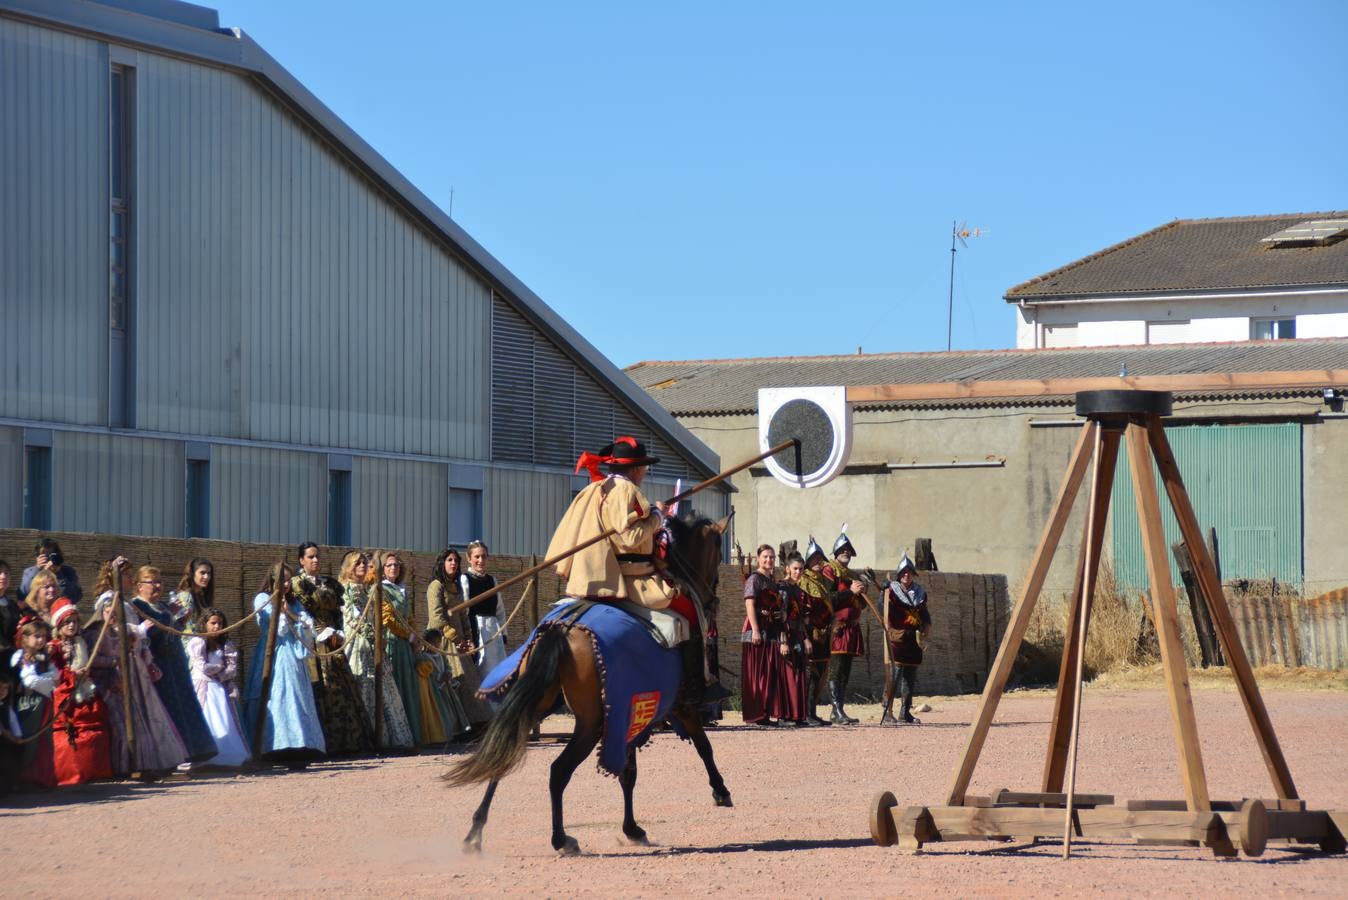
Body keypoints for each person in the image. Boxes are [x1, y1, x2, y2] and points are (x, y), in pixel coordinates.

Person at [545, 435, 726, 706]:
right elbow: (630, 538)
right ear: (634, 469)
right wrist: (657, 516)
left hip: (593, 575)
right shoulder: (627, 491)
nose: (645, 472)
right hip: (632, 579)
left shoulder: (595, 489)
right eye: (643, 467)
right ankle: (693, 688)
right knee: (689, 612)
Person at [88, 562, 189, 775]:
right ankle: (130, 763)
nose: (131, 579)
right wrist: (138, 631)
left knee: (146, 714)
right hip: (120, 665)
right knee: (128, 717)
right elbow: (111, 632)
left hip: (136, 663)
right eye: (127, 575)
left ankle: (151, 761)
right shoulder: (109, 600)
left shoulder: (123, 601)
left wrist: (147, 658)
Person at [130, 566, 218, 765]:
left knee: (185, 704)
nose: (158, 586)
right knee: (168, 708)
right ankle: (175, 755)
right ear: (139, 585)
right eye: (153, 582)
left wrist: (179, 621)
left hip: (175, 663)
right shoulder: (136, 606)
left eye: (159, 582)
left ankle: (195, 750)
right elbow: (146, 634)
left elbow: (169, 631)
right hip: (158, 664)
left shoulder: (161, 605)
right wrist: (167, 617)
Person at [292, 543, 372, 755]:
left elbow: (338, 611)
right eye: (310, 557)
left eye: (317, 556)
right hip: (313, 641)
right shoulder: (298, 583)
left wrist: (337, 632)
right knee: (323, 687)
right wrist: (322, 632)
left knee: (343, 687)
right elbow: (303, 612)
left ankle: (350, 743)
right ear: (301, 560)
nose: (315, 560)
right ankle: (324, 743)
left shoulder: (329, 583)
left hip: (334, 641)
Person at [243, 564, 326, 765]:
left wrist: (290, 613)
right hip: (274, 653)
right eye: (282, 580)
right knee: (276, 695)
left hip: (293, 656)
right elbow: (276, 628)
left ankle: (300, 746)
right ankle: (272, 747)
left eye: (288, 580)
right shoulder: (263, 599)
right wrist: (284, 613)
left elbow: (308, 626)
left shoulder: (293, 602)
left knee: (296, 697)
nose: (286, 584)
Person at [338, 551, 414, 751]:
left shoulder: (368, 590)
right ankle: (365, 740)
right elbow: (355, 620)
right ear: (349, 568)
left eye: (365, 562)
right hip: (358, 646)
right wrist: (374, 637)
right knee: (364, 686)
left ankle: (393, 739)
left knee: (386, 690)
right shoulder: (346, 590)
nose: (363, 565)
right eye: (357, 563)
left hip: (375, 644)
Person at [47, 598, 113, 785]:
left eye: (75, 622)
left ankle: (95, 770)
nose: (72, 626)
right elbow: (55, 671)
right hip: (66, 690)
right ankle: (70, 773)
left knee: (96, 725)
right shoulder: (55, 646)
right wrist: (72, 675)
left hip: (85, 688)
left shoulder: (80, 642)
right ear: (59, 624)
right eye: (67, 622)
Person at [425, 549, 492, 730]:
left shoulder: (456, 586)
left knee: (471, 681)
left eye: (455, 560)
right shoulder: (436, 586)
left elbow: (463, 615)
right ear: (442, 563)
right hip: (442, 641)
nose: (453, 564)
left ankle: (477, 722)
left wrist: (468, 639)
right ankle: (455, 726)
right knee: (454, 680)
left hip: (460, 641)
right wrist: (456, 639)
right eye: (449, 560)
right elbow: (437, 618)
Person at [187, 607, 250, 767]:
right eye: (213, 623)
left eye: (220, 623)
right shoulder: (198, 642)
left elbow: (232, 668)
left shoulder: (226, 645)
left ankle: (225, 755)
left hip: (219, 688)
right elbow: (201, 665)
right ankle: (201, 756)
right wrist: (220, 668)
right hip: (201, 685)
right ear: (205, 624)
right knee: (204, 717)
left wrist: (221, 673)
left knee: (224, 719)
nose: (217, 627)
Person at [375, 551, 423, 746]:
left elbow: (409, 616)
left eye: (396, 565)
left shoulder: (401, 588)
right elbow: (387, 619)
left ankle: (411, 732)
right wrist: (407, 634)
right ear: (382, 569)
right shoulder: (382, 589)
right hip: (392, 641)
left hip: (405, 643)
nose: (393, 568)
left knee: (408, 683)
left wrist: (414, 634)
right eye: (389, 565)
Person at [880, 555, 932, 725]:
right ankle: (887, 711)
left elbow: (924, 614)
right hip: (897, 638)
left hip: (913, 639)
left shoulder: (920, 592)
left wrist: (926, 629)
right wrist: (883, 592)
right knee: (894, 675)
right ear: (899, 574)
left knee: (910, 676)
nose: (906, 575)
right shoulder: (892, 591)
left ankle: (905, 713)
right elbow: (883, 608)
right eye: (903, 572)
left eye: (909, 573)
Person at [741, 545, 788, 726]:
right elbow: (750, 604)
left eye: (772, 557)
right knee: (757, 673)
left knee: (769, 673)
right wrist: (755, 630)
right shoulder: (754, 579)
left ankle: (766, 713)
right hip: (757, 629)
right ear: (758, 559)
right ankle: (756, 714)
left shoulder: (772, 581)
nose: (769, 560)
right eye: (766, 557)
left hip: (771, 630)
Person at [822, 529, 866, 725]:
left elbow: (862, 604)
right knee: (836, 669)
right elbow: (829, 599)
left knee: (845, 670)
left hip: (852, 628)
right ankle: (835, 710)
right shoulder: (829, 571)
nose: (846, 552)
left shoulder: (853, 575)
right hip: (837, 628)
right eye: (843, 549)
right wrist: (850, 591)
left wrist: (862, 590)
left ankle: (840, 710)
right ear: (836, 551)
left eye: (848, 550)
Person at [11, 615, 56, 787]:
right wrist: (49, 682)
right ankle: (23, 778)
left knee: (46, 741)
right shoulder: (19, 657)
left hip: (44, 703)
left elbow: (56, 676)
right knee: (30, 739)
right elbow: (29, 681)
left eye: (43, 637)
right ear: (25, 638)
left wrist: (46, 680)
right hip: (27, 704)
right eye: (36, 636)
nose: (41, 640)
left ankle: (44, 778)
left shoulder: (44, 657)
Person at [797, 537, 834, 727]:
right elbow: (802, 613)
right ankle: (805, 714)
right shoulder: (803, 582)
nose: (818, 562)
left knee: (820, 673)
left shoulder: (824, 582)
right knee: (810, 674)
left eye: (820, 559)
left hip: (824, 635)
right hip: (810, 634)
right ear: (808, 562)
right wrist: (806, 637)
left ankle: (813, 712)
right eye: (814, 559)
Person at [414, 629, 470, 746]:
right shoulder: (423, 657)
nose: (436, 645)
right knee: (442, 712)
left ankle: (455, 733)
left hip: (447, 688)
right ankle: (444, 734)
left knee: (452, 712)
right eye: (433, 642)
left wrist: (448, 673)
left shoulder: (442, 655)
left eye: (438, 642)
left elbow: (448, 667)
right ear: (426, 643)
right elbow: (427, 675)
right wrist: (439, 680)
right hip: (435, 690)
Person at [777, 552, 811, 727]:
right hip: (786, 634)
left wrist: (805, 639)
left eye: (801, 569)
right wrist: (782, 640)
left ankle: (798, 715)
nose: (798, 572)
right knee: (787, 675)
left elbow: (801, 620)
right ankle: (785, 715)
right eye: (795, 568)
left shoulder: (799, 591)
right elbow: (779, 618)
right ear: (787, 569)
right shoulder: (781, 588)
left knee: (799, 674)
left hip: (797, 634)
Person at [462, 541, 506, 678]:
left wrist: (503, 634)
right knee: (481, 669)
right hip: (477, 629)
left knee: (498, 671)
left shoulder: (492, 581)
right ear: (469, 559)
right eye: (476, 557)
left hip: (494, 631)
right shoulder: (465, 579)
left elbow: (500, 610)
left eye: (483, 556)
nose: (480, 560)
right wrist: (469, 636)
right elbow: (464, 611)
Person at [20, 538, 82, 604]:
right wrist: (38, 570)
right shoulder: (30, 572)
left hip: (59, 611)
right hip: (37, 612)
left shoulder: (68, 571)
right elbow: (24, 593)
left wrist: (58, 573)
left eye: (52, 554)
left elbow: (74, 596)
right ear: (38, 557)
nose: (49, 558)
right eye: (45, 555)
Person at [169, 557, 214, 647]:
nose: (206, 577)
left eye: (209, 573)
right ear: (192, 574)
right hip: (189, 648)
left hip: (201, 646)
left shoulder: (202, 597)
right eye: (202, 573)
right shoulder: (186, 596)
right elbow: (186, 629)